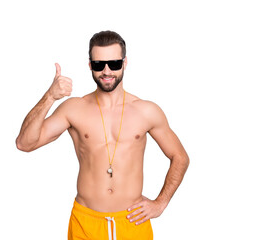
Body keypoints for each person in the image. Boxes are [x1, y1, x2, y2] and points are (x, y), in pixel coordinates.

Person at [16, 30, 189, 240]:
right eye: (99, 65)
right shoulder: (74, 109)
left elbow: (180, 157)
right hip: (85, 223)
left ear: (125, 63)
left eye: (114, 63)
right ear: (90, 65)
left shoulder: (146, 111)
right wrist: (50, 96)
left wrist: (160, 203)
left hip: (132, 221)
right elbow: (25, 143)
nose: (106, 71)